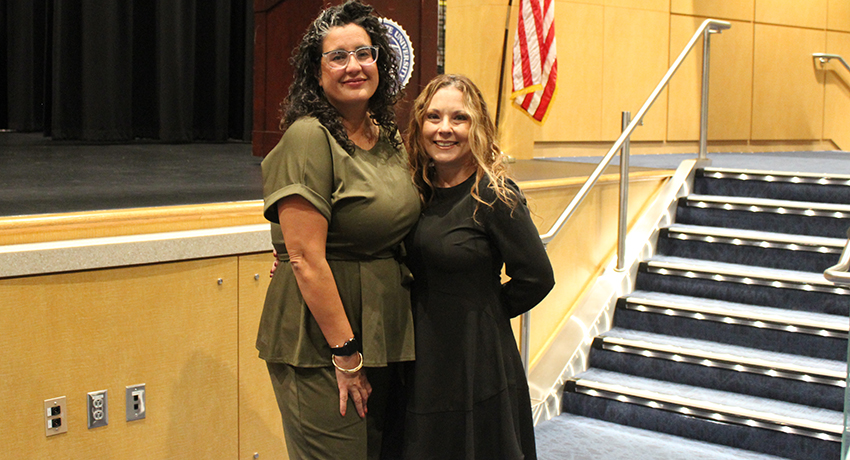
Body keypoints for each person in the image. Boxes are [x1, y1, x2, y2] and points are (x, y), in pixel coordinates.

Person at [256, 2, 420, 459]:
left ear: (380, 63)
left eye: (364, 54)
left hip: (384, 331)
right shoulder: (309, 136)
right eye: (338, 57)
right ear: (316, 70)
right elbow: (306, 259)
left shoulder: (386, 135)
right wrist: (347, 356)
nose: (354, 67)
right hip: (322, 345)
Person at [402, 74, 555, 460]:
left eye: (460, 118)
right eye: (434, 117)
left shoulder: (493, 195)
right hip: (419, 354)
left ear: (478, 126)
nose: (445, 129)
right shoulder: (415, 189)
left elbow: (537, 276)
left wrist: (485, 310)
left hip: (475, 362)